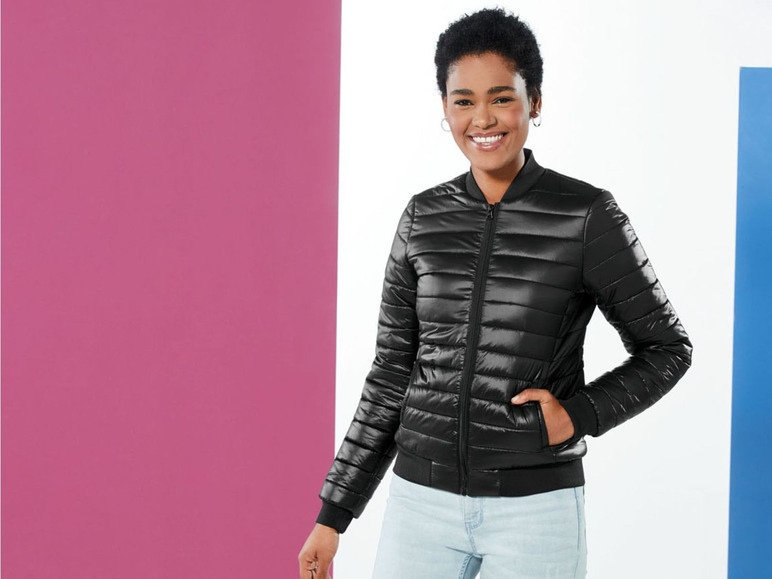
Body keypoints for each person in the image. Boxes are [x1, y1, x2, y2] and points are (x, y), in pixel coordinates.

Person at [298, 7, 693, 579]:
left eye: (502, 98)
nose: (482, 118)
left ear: (535, 101)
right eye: (464, 100)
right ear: (445, 107)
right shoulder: (423, 217)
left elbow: (667, 348)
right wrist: (333, 515)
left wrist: (577, 416)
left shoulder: (586, 215)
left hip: (534, 512)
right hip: (419, 505)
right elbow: (391, 376)